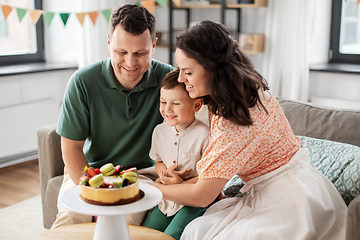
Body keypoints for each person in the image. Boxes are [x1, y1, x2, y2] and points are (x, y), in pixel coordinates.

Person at [153, 20, 347, 239]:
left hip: (287, 199)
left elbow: (202, 196)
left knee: (201, 233)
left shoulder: (234, 120)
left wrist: (150, 189)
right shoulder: (245, 89)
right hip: (297, 184)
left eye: (187, 72)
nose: (180, 79)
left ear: (212, 69)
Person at [52, 4, 173, 228]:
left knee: (122, 224)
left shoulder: (169, 80)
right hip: (88, 171)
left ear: (153, 46)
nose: (130, 63)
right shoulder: (82, 82)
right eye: (121, 52)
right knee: (69, 222)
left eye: (140, 53)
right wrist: (94, 192)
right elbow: (71, 148)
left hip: (142, 175)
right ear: (109, 43)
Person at [141, 68, 210, 240]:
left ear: (196, 105)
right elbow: (158, 161)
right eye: (163, 102)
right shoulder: (159, 131)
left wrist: (180, 184)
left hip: (193, 201)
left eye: (175, 103)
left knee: (171, 235)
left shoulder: (205, 135)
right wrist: (166, 175)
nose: (167, 109)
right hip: (168, 200)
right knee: (145, 232)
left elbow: (209, 176)